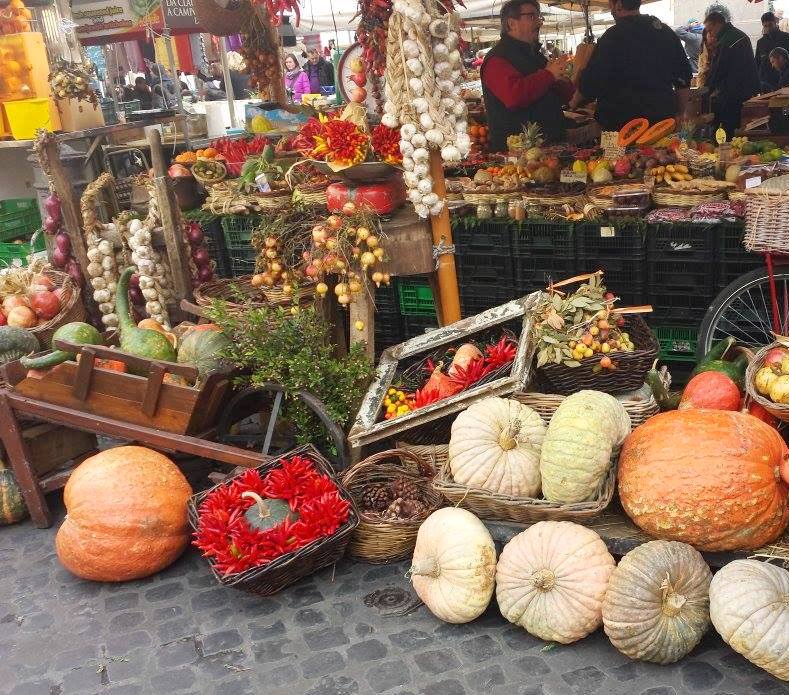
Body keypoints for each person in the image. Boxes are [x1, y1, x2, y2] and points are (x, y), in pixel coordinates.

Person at [575, 0, 692, 132]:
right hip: (660, 124)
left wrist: (573, 103)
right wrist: (680, 113)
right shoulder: (665, 33)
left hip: (621, 128)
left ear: (618, 5)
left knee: (623, 153)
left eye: (610, 5)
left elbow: (590, 85)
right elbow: (683, 80)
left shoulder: (611, 37)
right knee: (660, 153)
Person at [480, 0, 574, 150]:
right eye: (532, 17)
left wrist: (561, 79)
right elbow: (514, 95)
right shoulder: (497, 59)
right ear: (511, 23)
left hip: (550, 146)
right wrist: (549, 75)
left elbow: (566, 95)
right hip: (518, 156)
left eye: (539, 17)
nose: (539, 23)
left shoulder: (535, 55)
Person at [704, 9, 760, 138]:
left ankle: (723, 152)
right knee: (738, 127)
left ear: (718, 24)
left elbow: (717, 70)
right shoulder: (739, 35)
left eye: (710, 30)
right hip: (746, 91)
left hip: (732, 94)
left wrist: (705, 91)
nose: (709, 33)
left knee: (725, 129)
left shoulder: (726, 41)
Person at [756, 11, 789, 92]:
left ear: (775, 22)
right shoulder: (761, 42)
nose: (768, 28)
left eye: (770, 25)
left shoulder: (786, 38)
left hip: (784, 82)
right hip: (766, 85)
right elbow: (757, 63)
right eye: (765, 26)